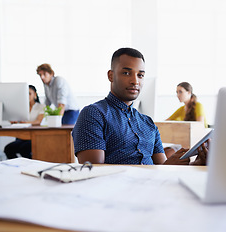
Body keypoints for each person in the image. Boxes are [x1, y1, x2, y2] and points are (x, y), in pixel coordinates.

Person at [72, 47, 208, 165]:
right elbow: (94, 170)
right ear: (111, 75)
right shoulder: (93, 114)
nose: (135, 81)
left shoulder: (147, 122)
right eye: (126, 73)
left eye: (140, 75)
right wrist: (164, 168)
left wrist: (197, 163)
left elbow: (162, 167)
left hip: (152, 189)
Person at [4, 85, 45, 159]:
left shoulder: (41, 106)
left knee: (24, 149)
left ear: (35, 95)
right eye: (25, 94)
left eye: (29, 94)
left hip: (34, 136)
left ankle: (30, 167)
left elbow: (39, 121)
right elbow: (14, 119)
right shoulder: (21, 107)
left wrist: (24, 123)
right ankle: (17, 166)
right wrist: (14, 121)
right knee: (8, 149)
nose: (27, 96)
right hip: (21, 136)